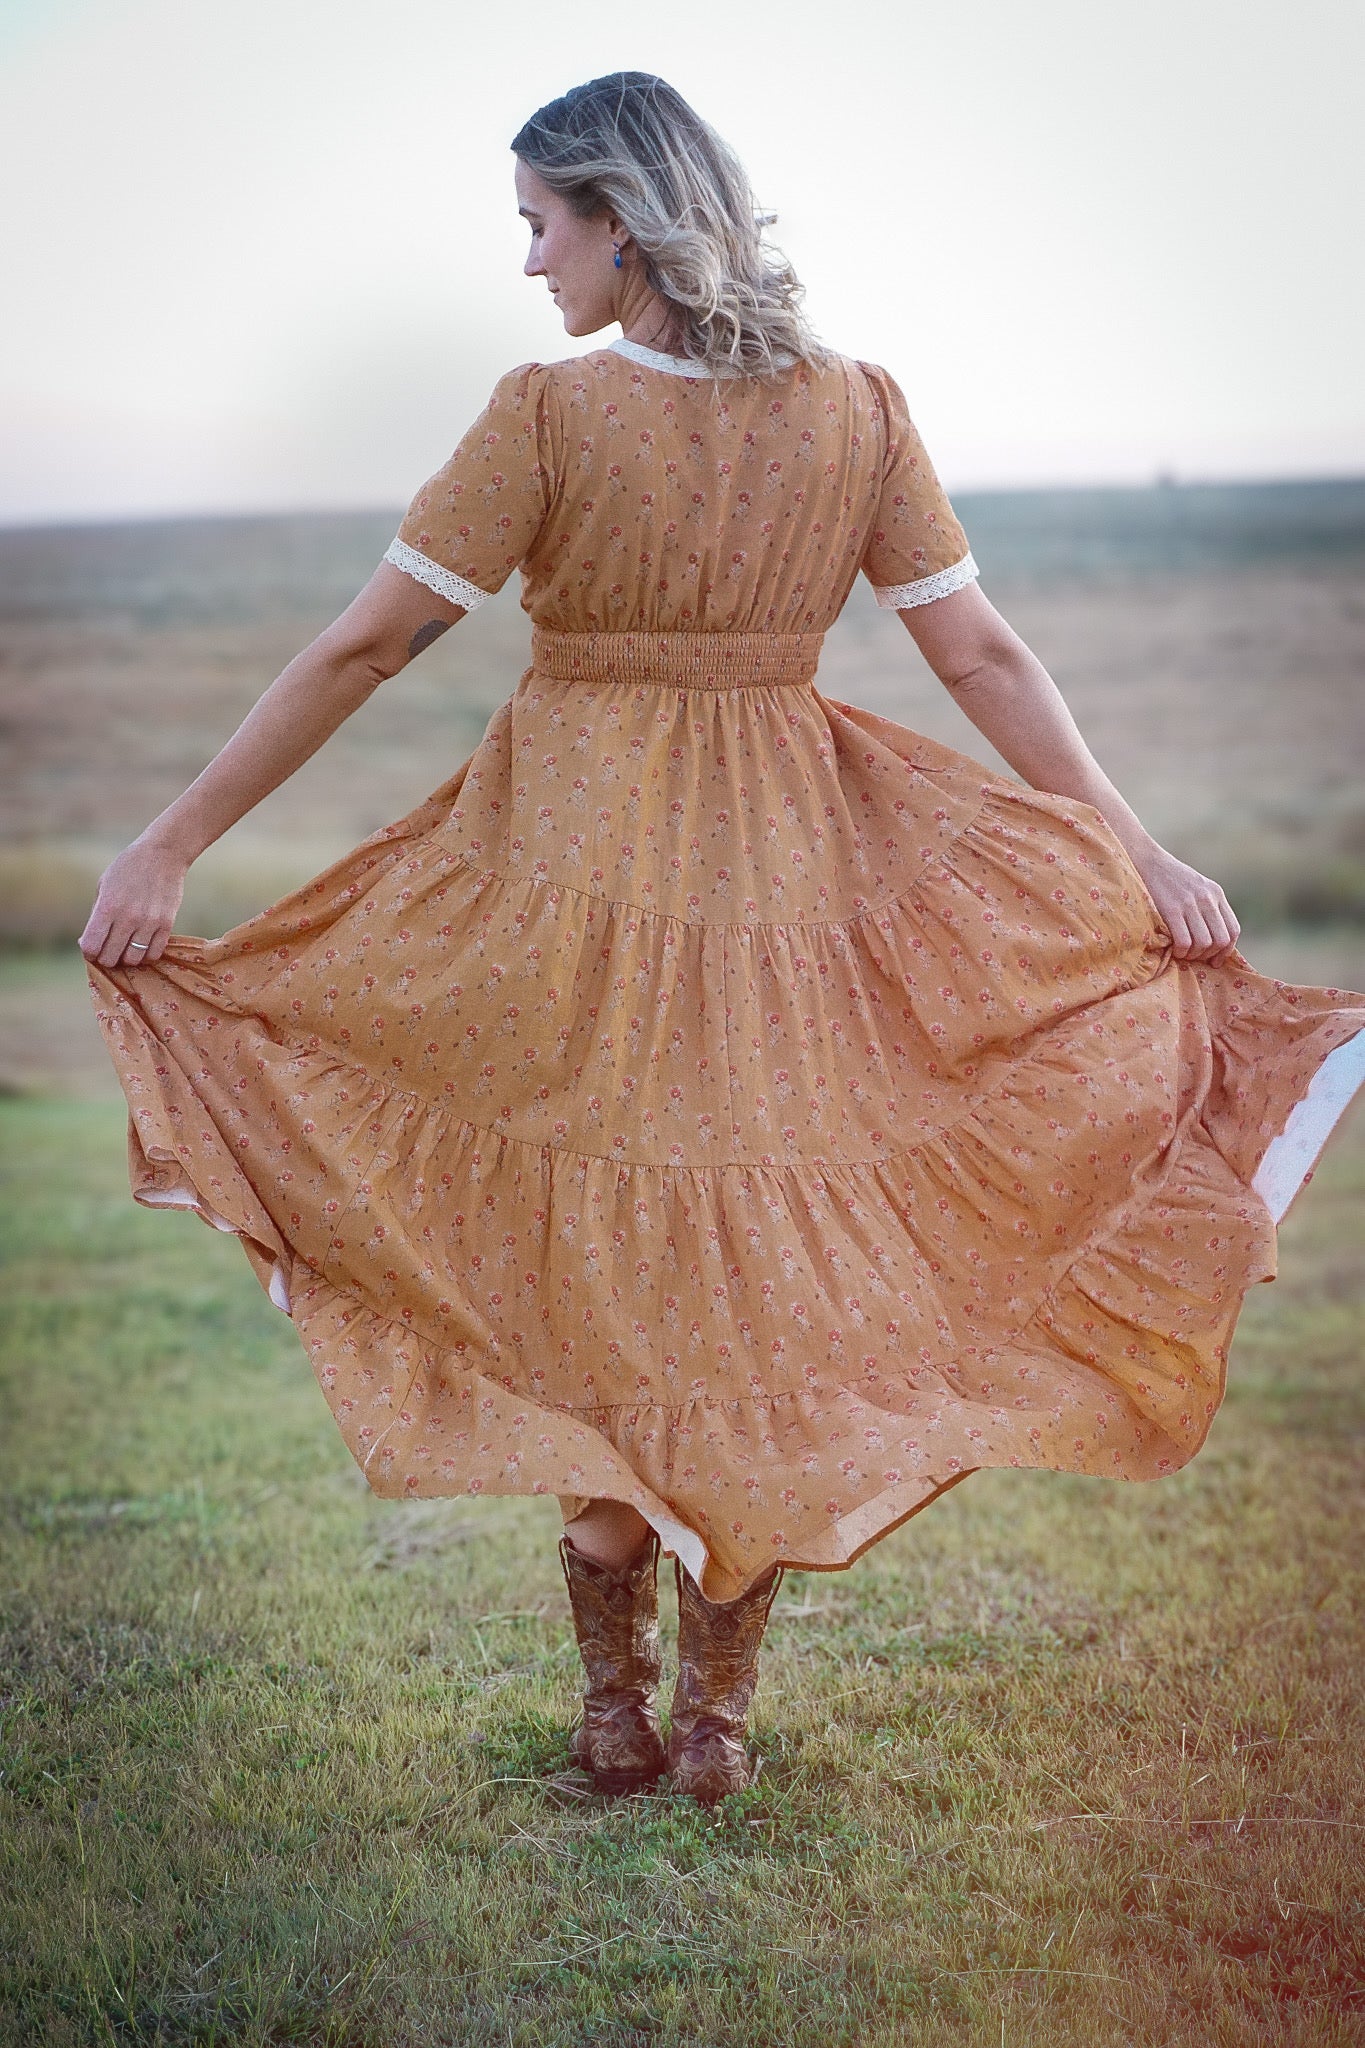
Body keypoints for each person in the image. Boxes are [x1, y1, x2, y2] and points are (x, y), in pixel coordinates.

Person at [82, 73, 1365, 1806]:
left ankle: (624, 1721)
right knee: (742, 1289)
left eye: (540, 226)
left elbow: (363, 651)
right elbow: (980, 657)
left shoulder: (545, 416)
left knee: (599, 1288)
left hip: (575, 889)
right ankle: (713, 1730)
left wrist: (171, 841)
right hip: (785, 906)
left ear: (621, 221)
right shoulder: (859, 409)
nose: (529, 264)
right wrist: (1128, 843)